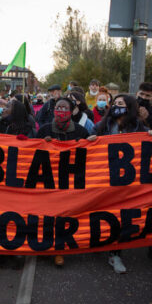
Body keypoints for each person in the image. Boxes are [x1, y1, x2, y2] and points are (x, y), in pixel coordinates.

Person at [92, 94, 150, 273]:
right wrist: (91, 140)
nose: (117, 106)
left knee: (121, 217)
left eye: (121, 104)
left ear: (130, 107)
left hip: (127, 183)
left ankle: (115, 254)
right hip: (104, 179)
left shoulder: (139, 127)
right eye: (115, 103)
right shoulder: (103, 125)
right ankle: (98, 243)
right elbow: (89, 140)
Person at [37, 97, 94, 267]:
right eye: (58, 107)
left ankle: (59, 250)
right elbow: (33, 151)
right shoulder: (45, 130)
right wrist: (42, 144)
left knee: (64, 216)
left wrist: (91, 142)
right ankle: (46, 245)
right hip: (48, 180)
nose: (61, 111)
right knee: (47, 215)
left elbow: (91, 154)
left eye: (64, 108)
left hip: (70, 181)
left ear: (71, 112)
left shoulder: (81, 131)